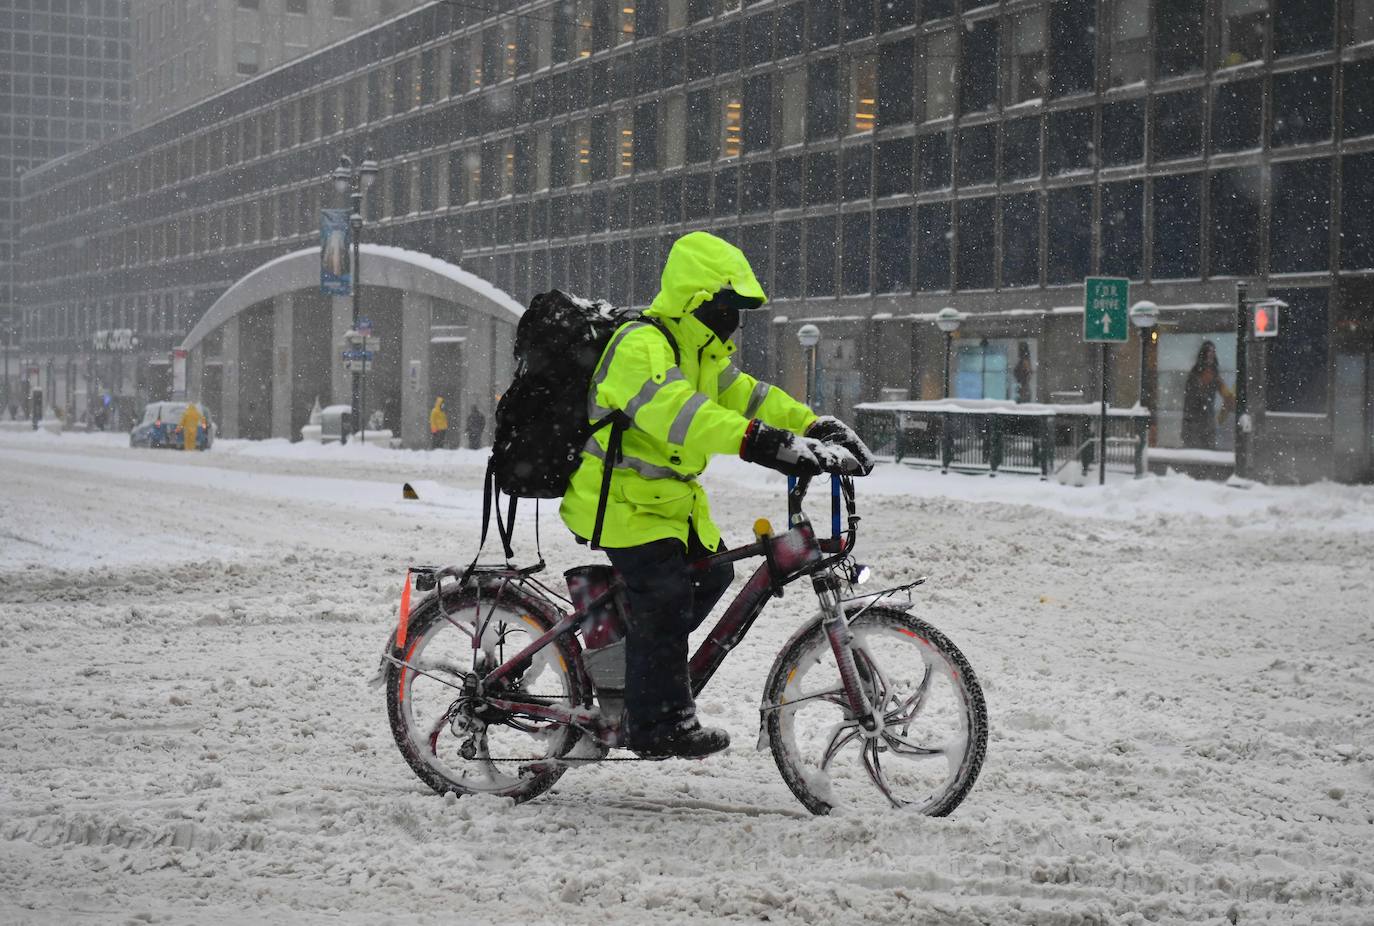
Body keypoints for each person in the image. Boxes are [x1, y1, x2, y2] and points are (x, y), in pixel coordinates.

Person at [560, 231, 875, 759]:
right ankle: (654, 722)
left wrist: (813, 425)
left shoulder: (700, 350)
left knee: (714, 572)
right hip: (617, 501)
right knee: (664, 595)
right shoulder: (642, 344)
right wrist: (756, 440)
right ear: (695, 299)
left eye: (738, 309)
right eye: (726, 305)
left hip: (663, 505)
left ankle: (625, 665)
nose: (733, 318)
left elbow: (750, 395)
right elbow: (677, 413)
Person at [1181, 340, 1234, 450]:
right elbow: (1189, 399)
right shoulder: (1195, 374)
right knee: (1195, 450)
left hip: (1206, 420)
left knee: (1206, 450)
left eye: (1213, 352)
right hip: (1193, 420)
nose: (1211, 355)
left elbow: (1227, 396)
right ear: (1203, 354)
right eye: (1209, 352)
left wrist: (1228, 407)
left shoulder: (1214, 375)